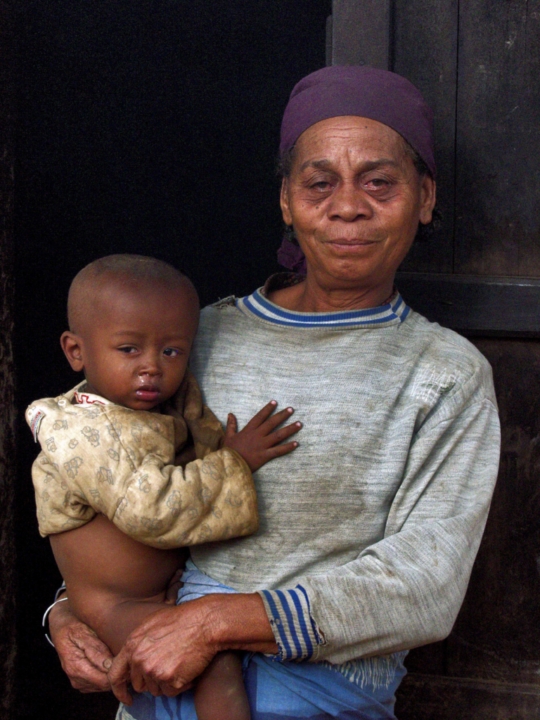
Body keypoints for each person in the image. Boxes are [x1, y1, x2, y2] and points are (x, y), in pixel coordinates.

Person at [47, 66, 501, 720]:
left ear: (424, 197)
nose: (348, 206)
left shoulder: (444, 374)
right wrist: (72, 611)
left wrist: (215, 623)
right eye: (320, 183)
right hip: (158, 692)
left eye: (379, 181)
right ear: (287, 201)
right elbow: (111, 487)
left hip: (324, 703)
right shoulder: (190, 340)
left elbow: (423, 585)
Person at [29, 254, 301, 720]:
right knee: (214, 662)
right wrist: (236, 462)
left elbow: (196, 435)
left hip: (164, 592)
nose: (151, 367)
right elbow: (148, 509)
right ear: (76, 351)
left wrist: (215, 443)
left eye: (172, 352)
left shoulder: (155, 408)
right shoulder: (83, 431)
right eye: (128, 349)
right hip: (113, 608)